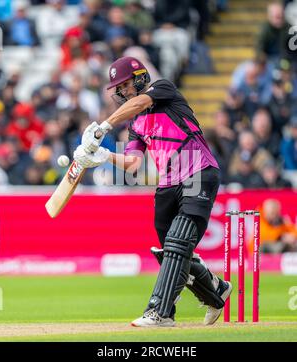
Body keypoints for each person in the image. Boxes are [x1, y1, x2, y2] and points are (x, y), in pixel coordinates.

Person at [72, 56, 232, 326]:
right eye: (118, 89)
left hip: (198, 172)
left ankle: (160, 312)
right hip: (169, 184)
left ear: (140, 78)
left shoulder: (163, 89)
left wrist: (103, 127)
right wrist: (104, 155)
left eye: (125, 85)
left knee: (178, 243)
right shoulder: (135, 124)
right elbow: (133, 164)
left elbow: (140, 102)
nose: (122, 92)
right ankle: (215, 290)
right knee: (170, 251)